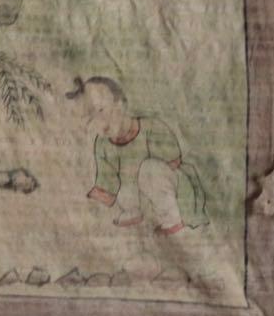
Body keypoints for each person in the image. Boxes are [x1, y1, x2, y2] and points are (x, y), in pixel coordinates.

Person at [67, 75, 209, 235]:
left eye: (100, 110)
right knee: (124, 187)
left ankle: (173, 219)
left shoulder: (152, 127)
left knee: (149, 170)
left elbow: (173, 164)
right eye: (90, 120)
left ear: (120, 103)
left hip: (175, 192)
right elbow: (107, 184)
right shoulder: (102, 145)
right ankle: (133, 212)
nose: (99, 122)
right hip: (141, 197)